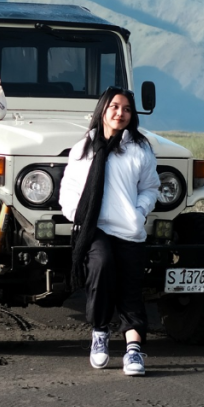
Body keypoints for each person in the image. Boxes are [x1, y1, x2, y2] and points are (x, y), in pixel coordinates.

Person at [59, 86, 160, 376]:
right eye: (115, 106)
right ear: (103, 109)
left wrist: (139, 213)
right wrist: (79, 215)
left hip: (129, 229)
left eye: (126, 109)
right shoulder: (84, 148)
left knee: (130, 287)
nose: (120, 113)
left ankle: (133, 350)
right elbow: (69, 189)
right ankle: (100, 333)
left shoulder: (140, 148)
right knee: (101, 267)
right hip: (95, 228)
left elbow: (150, 187)